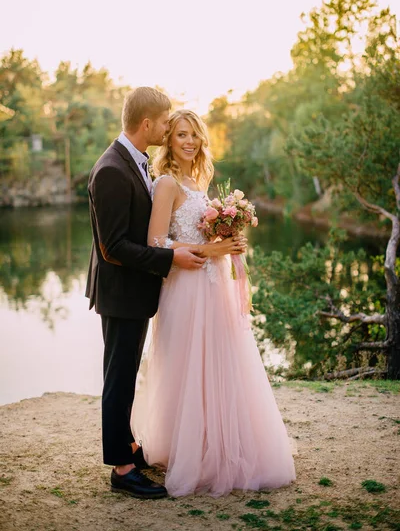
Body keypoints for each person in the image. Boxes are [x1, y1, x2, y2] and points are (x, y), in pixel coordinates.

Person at [131, 109, 296, 497]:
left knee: (220, 363)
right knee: (188, 366)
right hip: (185, 288)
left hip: (213, 284)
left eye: (194, 135)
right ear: (169, 140)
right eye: (181, 135)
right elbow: (156, 243)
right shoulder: (167, 183)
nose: (189, 142)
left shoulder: (198, 180)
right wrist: (210, 247)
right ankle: (188, 450)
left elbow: (206, 236)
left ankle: (217, 447)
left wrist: (230, 243)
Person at [85, 88, 239, 499]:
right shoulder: (112, 170)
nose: (173, 130)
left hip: (137, 290)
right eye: (168, 123)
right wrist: (174, 259)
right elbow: (112, 247)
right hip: (120, 292)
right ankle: (121, 469)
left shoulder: (135, 165)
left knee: (127, 376)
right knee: (118, 379)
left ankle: (130, 448)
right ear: (148, 124)